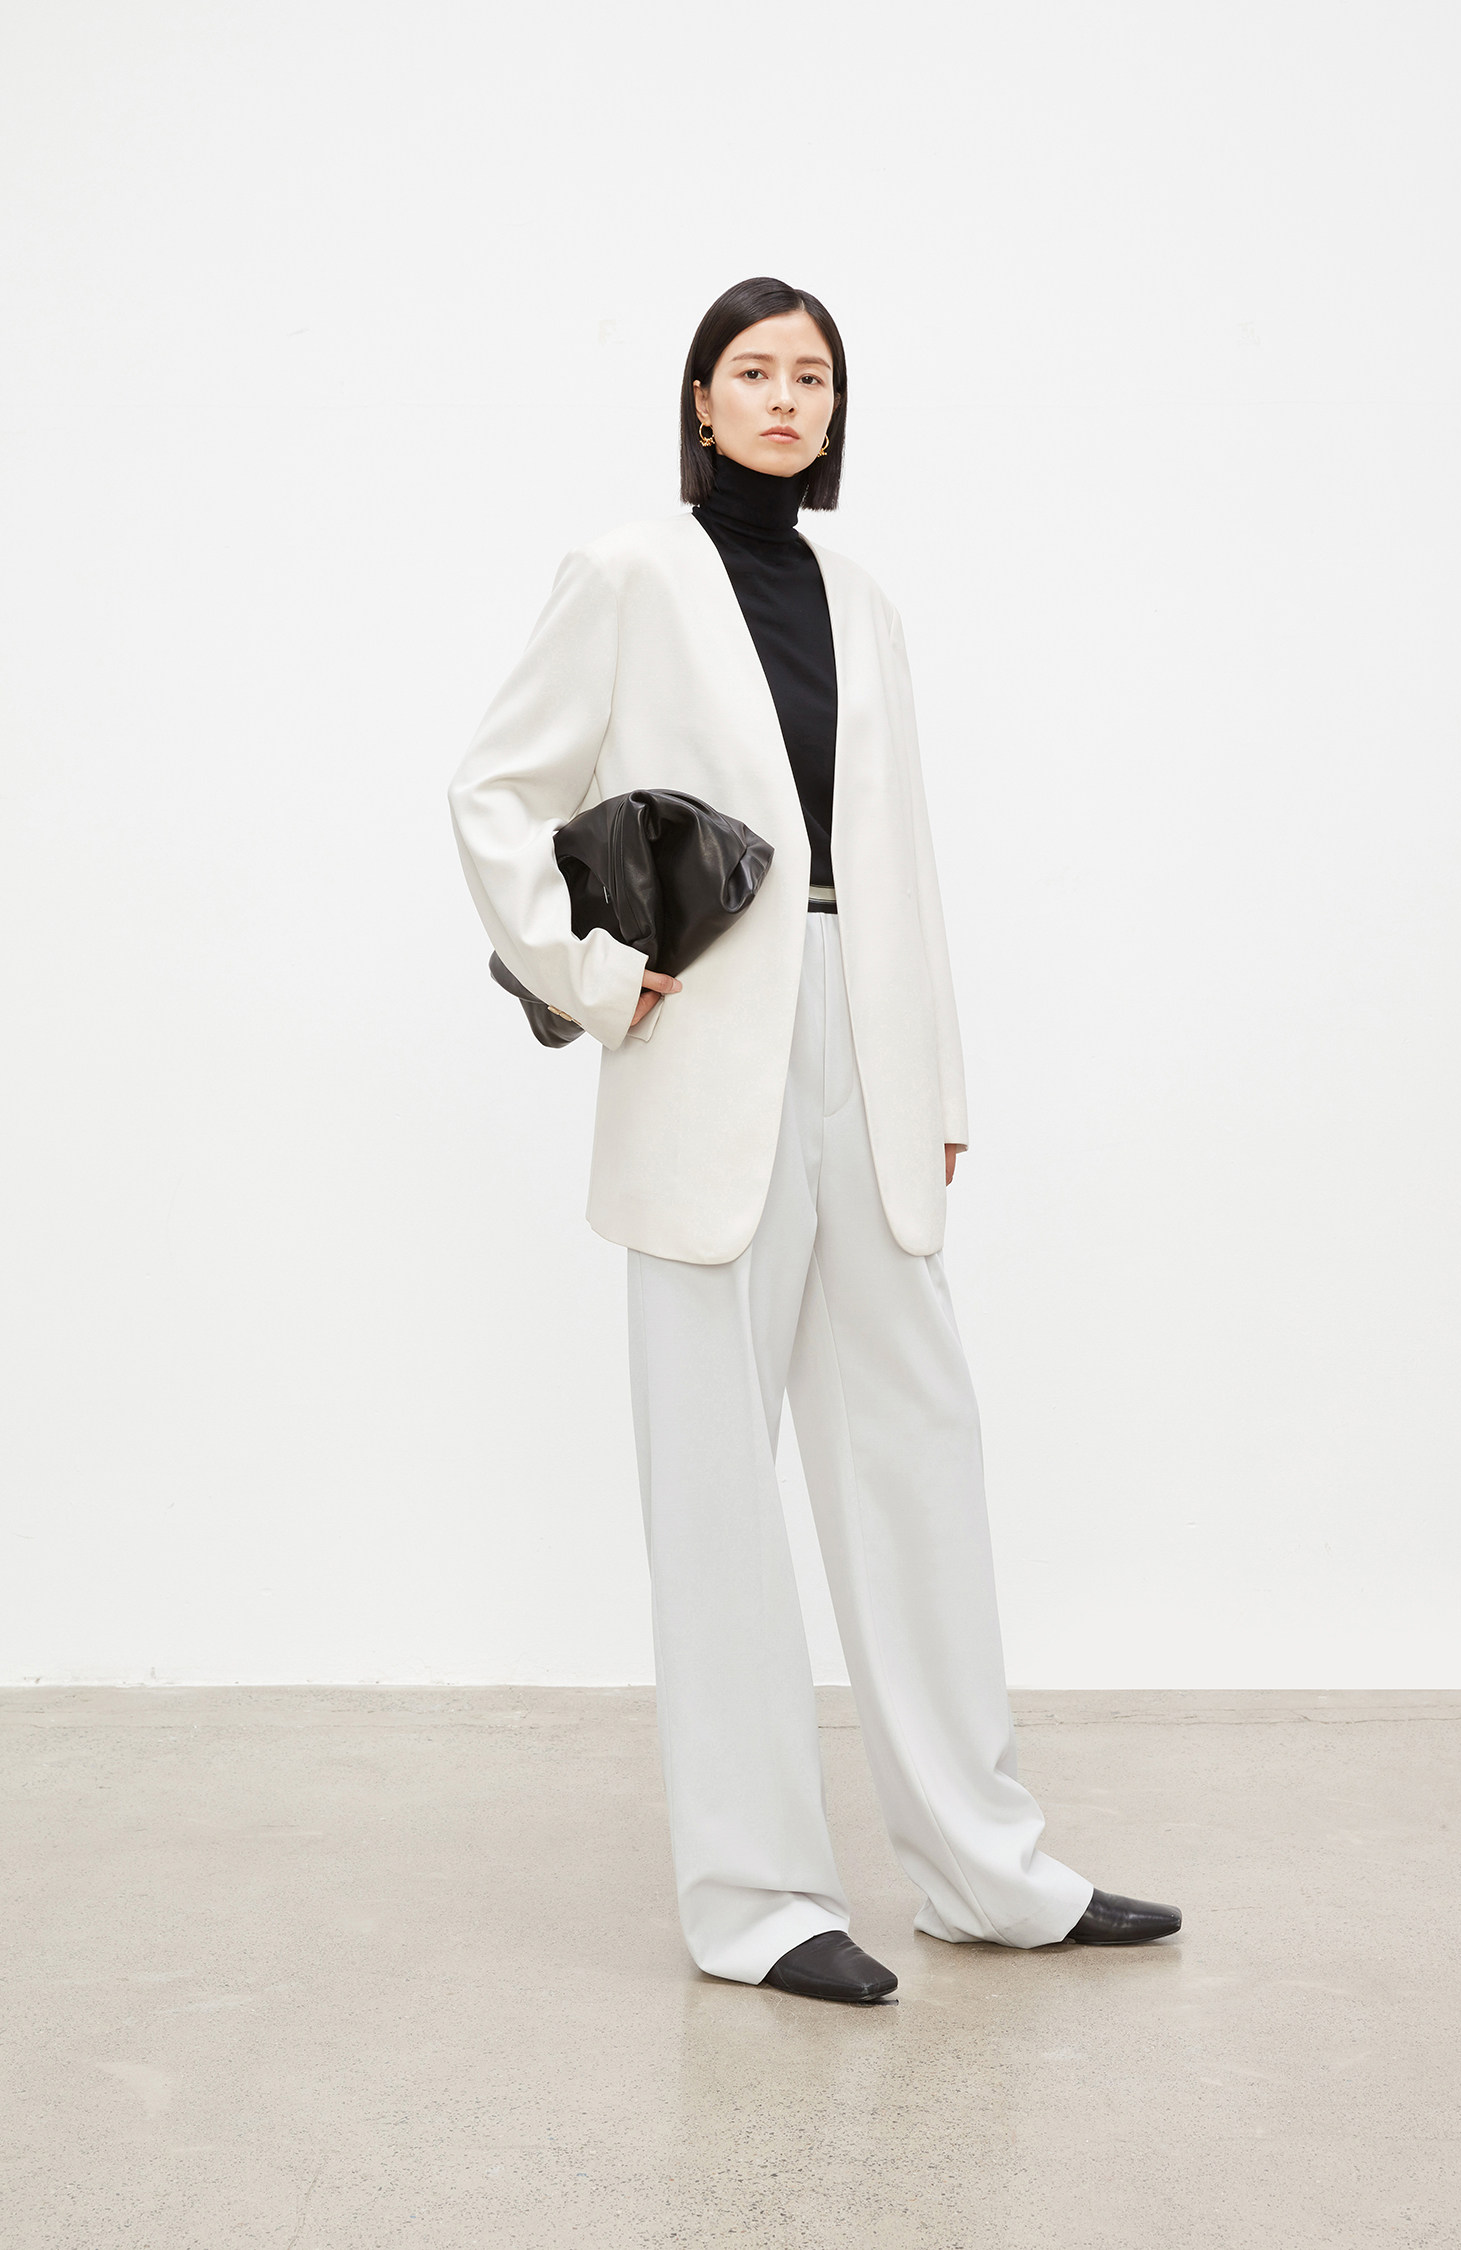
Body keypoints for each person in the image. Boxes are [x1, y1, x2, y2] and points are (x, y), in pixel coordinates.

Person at [447, 276, 1180, 2005]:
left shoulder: (865, 597)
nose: (787, 398)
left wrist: (937, 1090)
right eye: (755, 371)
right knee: (717, 1483)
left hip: (868, 1033)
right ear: (701, 400)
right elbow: (495, 790)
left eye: (814, 376)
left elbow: (903, 853)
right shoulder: (628, 571)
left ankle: (985, 1867)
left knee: (921, 1446)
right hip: (710, 1039)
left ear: (835, 413)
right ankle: (760, 1898)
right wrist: (594, 974)